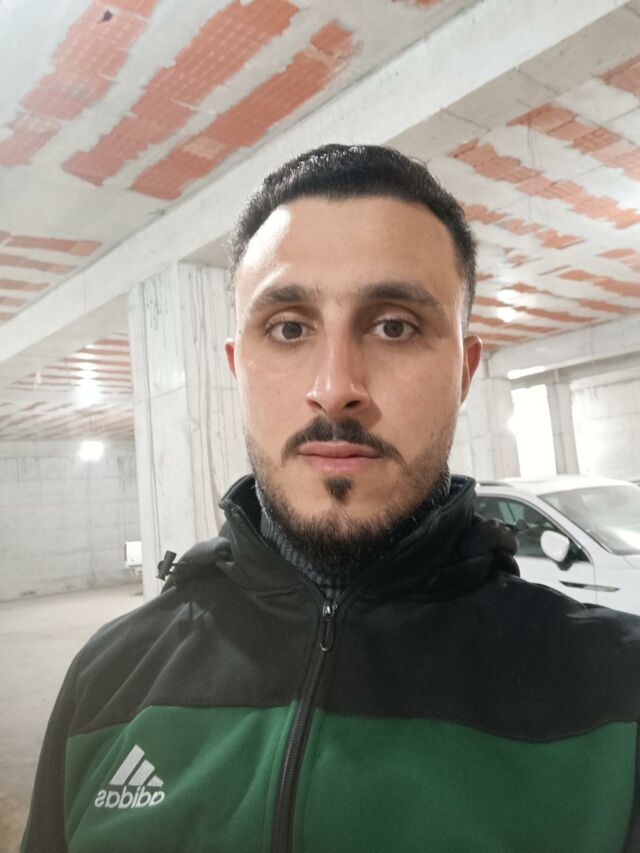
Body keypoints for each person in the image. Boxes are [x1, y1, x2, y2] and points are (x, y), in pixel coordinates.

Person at [22, 145, 640, 853]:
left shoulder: (619, 694)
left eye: (394, 325)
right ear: (238, 368)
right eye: (289, 328)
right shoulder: (108, 678)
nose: (335, 387)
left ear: (465, 371)